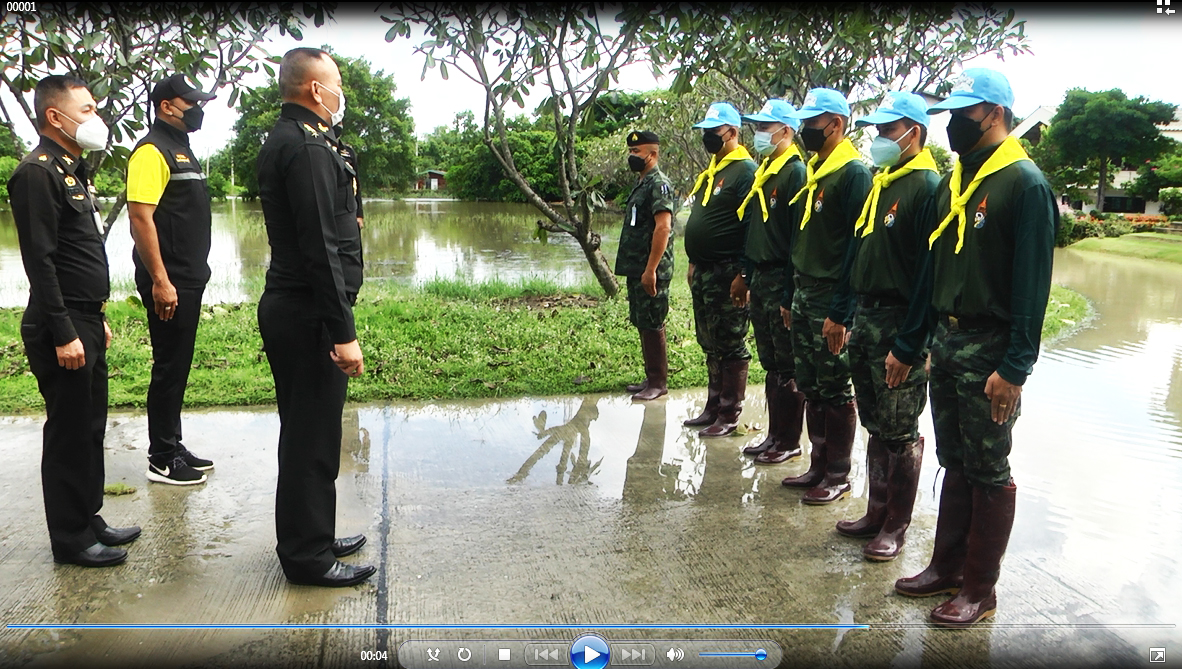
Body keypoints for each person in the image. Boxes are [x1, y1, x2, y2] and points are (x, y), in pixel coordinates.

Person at [888, 68, 1057, 627]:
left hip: (991, 347)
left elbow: (1032, 284)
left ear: (995, 114)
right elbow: (931, 272)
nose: (954, 123)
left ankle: (980, 589)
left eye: (965, 113)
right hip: (948, 340)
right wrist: (912, 343)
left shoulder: (1024, 184)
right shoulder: (954, 181)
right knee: (955, 459)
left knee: (988, 466)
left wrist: (1016, 367)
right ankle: (946, 567)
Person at [9, 75, 140, 567]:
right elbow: (39, 261)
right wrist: (64, 331)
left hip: (85, 318)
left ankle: (89, 517)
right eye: (85, 110)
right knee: (68, 432)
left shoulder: (72, 170)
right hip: (58, 325)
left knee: (90, 426)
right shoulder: (36, 173)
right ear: (55, 117)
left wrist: (94, 316)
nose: (95, 119)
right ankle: (70, 538)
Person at [256, 47, 372, 587]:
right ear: (314, 89)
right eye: (337, 84)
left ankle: (315, 536)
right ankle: (307, 558)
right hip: (307, 312)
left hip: (306, 308)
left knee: (316, 435)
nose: (341, 93)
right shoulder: (303, 147)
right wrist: (343, 331)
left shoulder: (307, 140)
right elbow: (319, 248)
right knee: (310, 439)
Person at [831, 91, 940, 560]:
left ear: (914, 132)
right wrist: (846, 312)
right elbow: (859, 252)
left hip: (899, 322)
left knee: (900, 428)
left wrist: (911, 344)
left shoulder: (927, 187)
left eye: (888, 130)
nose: (879, 138)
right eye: (877, 130)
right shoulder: (883, 182)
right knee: (876, 422)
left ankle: (896, 524)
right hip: (868, 317)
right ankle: (876, 511)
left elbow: (929, 275)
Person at [779, 89, 872, 504]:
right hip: (804, 293)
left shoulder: (853, 174)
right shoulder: (816, 170)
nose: (805, 130)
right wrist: (789, 294)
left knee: (835, 386)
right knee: (811, 384)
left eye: (812, 123)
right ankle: (817, 465)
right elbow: (799, 239)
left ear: (836, 124)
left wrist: (842, 311)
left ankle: (837, 473)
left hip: (830, 297)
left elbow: (856, 246)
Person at [127, 73, 217, 486]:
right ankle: (162, 457)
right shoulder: (151, 151)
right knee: (169, 366)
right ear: (167, 106)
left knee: (178, 365)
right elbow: (140, 218)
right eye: (190, 103)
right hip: (170, 281)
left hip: (188, 276)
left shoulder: (182, 149)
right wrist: (160, 281)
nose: (197, 110)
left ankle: (173, 444)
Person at [733, 99, 808, 463]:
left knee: (787, 362)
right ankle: (774, 435)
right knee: (772, 362)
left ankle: (789, 441)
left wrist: (789, 292)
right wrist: (747, 274)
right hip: (761, 277)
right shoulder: (766, 170)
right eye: (758, 127)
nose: (759, 134)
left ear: (786, 131)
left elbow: (796, 238)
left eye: (766, 127)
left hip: (781, 276)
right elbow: (754, 230)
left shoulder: (795, 173)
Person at [681, 102, 758, 437]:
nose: (708, 137)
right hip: (705, 272)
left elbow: (751, 226)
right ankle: (713, 406)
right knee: (709, 341)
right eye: (706, 132)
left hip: (729, 273)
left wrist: (744, 275)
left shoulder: (745, 172)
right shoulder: (713, 171)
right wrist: (693, 261)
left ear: (733, 132)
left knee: (730, 342)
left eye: (714, 132)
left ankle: (729, 413)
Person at [616, 130, 676, 402]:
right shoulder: (641, 183)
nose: (632, 156)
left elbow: (663, 227)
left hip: (652, 268)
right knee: (642, 320)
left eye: (636, 152)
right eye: (630, 151)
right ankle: (650, 377)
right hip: (637, 266)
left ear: (652, 154)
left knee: (652, 321)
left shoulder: (658, 184)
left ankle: (658, 382)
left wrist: (651, 269)